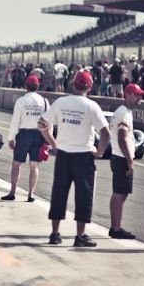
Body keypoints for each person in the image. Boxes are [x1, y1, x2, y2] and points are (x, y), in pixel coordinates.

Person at [38, 71, 110, 247]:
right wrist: (100, 152)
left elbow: (42, 124)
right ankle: (80, 236)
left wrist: (53, 143)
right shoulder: (91, 106)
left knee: (59, 193)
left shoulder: (61, 102)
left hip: (63, 154)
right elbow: (106, 132)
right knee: (83, 196)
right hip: (84, 156)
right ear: (90, 86)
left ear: (73, 84)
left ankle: (54, 234)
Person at [108, 84, 144, 240]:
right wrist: (130, 161)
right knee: (120, 194)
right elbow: (122, 138)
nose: (140, 99)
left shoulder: (124, 112)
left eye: (140, 95)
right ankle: (116, 228)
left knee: (120, 193)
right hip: (122, 158)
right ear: (128, 95)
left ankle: (115, 227)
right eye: (137, 95)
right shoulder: (123, 113)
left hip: (118, 157)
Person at [3, 75, 48, 202]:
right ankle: (31, 194)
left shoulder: (21, 101)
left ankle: (12, 192)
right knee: (34, 165)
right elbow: (47, 122)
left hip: (24, 135)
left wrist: (11, 138)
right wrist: (47, 140)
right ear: (38, 86)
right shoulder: (44, 101)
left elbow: (15, 121)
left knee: (16, 164)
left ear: (26, 86)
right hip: (39, 135)